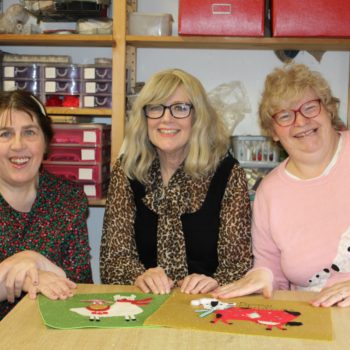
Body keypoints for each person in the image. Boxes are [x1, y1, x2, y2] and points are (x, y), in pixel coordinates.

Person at [100, 68, 252, 295]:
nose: (166, 118)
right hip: (143, 305)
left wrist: (214, 281)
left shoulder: (227, 173)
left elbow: (239, 266)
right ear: (144, 117)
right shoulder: (128, 169)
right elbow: (112, 262)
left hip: (208, 305)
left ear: (198, 117)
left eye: (180, 108)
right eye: (156, 107)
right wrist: (138, 276)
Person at [212, 63, 350, 308]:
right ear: (273, 132)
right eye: (285, 115)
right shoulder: (270, 192)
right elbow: (270, 268)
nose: (300, 122)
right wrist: (262, 275)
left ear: (328, 109)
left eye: (309, 107)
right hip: (314, 321)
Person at [0, 90, 93, 320]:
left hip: (51, 334)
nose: (18, 145)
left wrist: (36, 261)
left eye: (30, 132)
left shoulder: (68, 200)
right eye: (5, 134)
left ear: (46, 141)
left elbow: (81, 288)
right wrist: (21, 268)